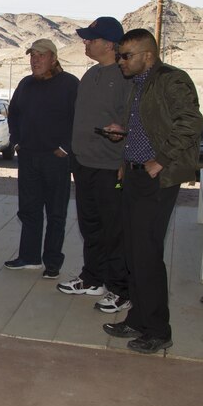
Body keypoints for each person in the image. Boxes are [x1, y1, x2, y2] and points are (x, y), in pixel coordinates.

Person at [102, 28, 203, 354]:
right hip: (134, 174)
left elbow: (191, 123)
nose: (120, 61)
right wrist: (125, 143)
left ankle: (159, 330)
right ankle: (138, 319)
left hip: (157, 180)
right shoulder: (139, 84)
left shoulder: (171, 80)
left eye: (126, 55)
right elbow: (148, 127)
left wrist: (159, 160)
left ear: (148, 55)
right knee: (133, 252)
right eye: (119, 55)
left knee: (146, 255)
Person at [56, 17, 133, 314]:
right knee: (90, 226)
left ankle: (121, 289)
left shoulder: (126, 77)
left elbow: (134, 121)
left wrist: (124, 154)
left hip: (110, 166)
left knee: (114, 230)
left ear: (110, 44)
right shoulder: (90, 76)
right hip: (85, 163)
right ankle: (93, 278)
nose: (86, 42)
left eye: (92, 39)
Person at [4, 39, 78, 278]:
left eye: (41, 55)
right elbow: (13, 114)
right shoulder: (26, 84)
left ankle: (52, 263)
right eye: (32, 55)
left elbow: (81, 119)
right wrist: (16, 141)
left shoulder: (69, 84)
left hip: (56, 160)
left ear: (53, 59)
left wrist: (66, 148)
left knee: (56, 213)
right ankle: (29, 257)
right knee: (29, 209)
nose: (35, 60)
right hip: (28, 158)